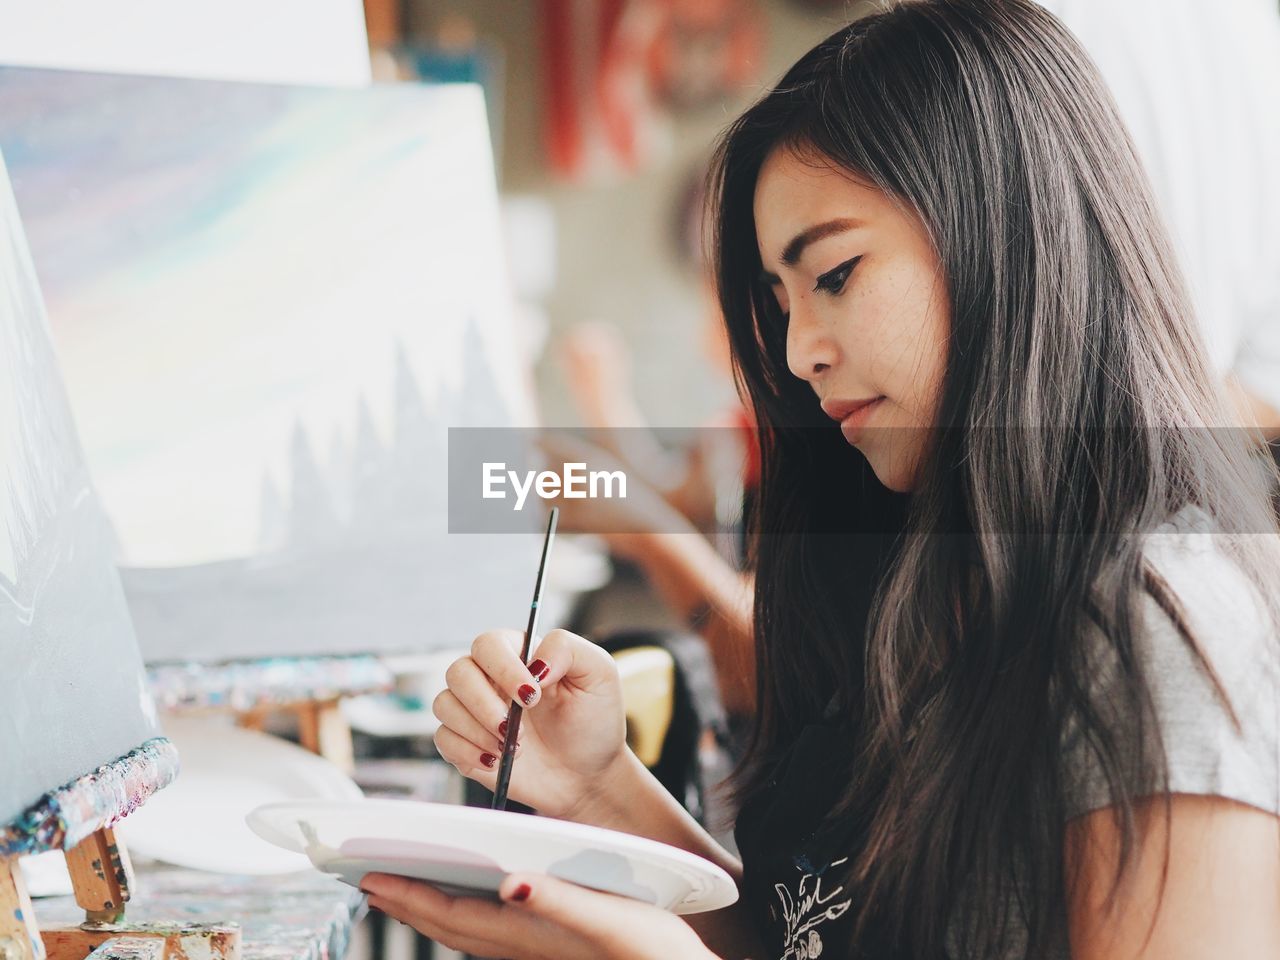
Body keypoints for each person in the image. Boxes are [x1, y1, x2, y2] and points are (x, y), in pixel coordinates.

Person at [359, 2, 1280, 957]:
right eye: (778, 303)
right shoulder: (923, 570)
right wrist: (599, 787)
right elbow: (805, 940)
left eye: (834, 275)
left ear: (1006, 232)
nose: (798, 352)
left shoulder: (1159, 630)